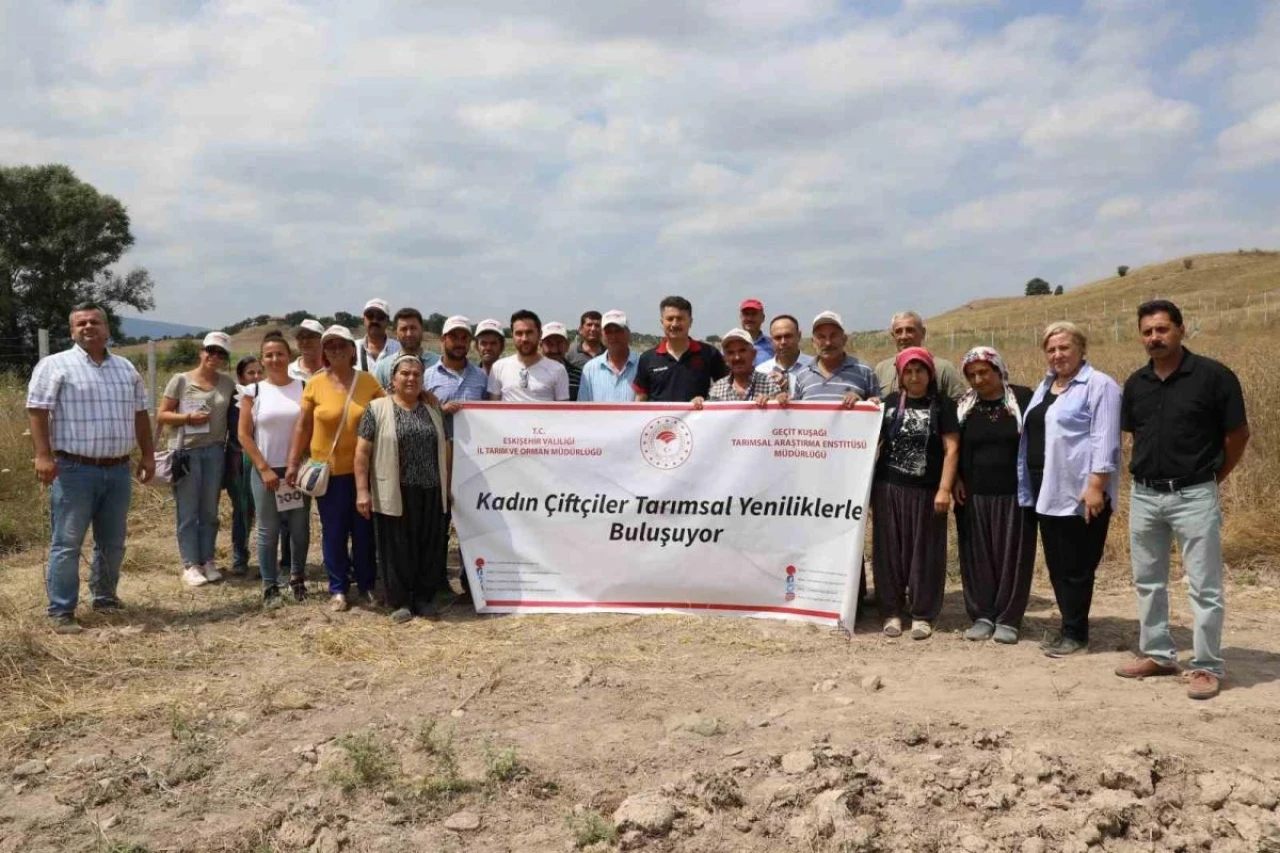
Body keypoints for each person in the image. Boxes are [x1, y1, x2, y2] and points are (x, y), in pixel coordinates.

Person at [1115, 300, 1249, 700]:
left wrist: (1211, 479)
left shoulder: (1214, 377)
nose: (1154, 338)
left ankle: (1207, 666)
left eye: (1162, 329)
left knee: (1204, 585)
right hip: (1145, 496)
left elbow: (1237, 436)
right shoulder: (1136, 383)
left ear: (1181, 329)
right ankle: (1158, 654)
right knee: (1148, 581)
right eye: (1147, 332)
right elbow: (1134, 436)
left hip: (1194, 494)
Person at [25, 304, 155, 634]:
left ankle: (105, 597)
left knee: (112, 542)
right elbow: (37, 410)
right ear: (71, 332)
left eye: (94, 322)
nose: (88, 327)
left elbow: (141, 415)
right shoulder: (55, 366)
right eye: (80, 323)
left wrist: (148, 456)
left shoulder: (125, 368)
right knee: (67, 542)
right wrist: (43, 456)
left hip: (117, 470)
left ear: (107, 329)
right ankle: (61, 610)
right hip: (73, 470)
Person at [1017, 321, 1121, 658]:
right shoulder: (1046, 386)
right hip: (1048, 489)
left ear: (1081, 349)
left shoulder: (1099, 385)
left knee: (1077, 566)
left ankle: (1076, 634)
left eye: (1064, 347)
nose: (1058, 355)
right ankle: (1068, 626)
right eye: (1051, 349)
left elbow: (1105, 440)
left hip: (1080, 492)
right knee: (1058, 565)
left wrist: (1096, 486)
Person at [286, 325, 385, 612]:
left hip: (362, 474)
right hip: (327, 473)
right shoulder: (315, 384)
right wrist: (293, 462)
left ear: (353, 350)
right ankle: (338, 588)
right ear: (324, 352)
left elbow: (388, 414)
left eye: (342, 344)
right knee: (334, 532)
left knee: (364, 532)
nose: (336, 350)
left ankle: (366, 585)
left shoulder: (368, 382)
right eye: (330, 346)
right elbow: (303, 426)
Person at [355, 354, 452, 623]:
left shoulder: (433, 409)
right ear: (392, 379)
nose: (411, 378)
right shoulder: (376, 409)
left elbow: (446, 448)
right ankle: (400, 601)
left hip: (431, 489)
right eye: (405, 373)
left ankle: (423, 598)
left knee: (429, 546)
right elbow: (362, 453)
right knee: (396, 548)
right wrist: (362, 491)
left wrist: (449, 485)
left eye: (417, 374)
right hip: (395, 491)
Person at [871, 347, 959, 640]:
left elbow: (952, 449)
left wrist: (944, 488)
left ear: (930, 373)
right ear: (900, 376)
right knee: (889, 552)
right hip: (889, 489)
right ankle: (892, 612)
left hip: (926, 491)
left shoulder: (942, 405)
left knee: (925, 552)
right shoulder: (889, 403)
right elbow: (870, 438)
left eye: (919, 370)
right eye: (908, 371)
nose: (914, 376)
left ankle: (922, 613)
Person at [953, 347, 1035, 644]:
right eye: (972, 374)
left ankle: (1009, 618)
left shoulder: (1024, 399)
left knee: (1012, 557)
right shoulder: (962, 407)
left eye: (984, 372)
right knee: (977, 557)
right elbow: (954, 449)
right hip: (973, 496)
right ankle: (982, 616)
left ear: (999, 371)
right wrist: (956, 480)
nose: (978, 379)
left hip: (1015, 493)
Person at [158, 331, 237, 588]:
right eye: (211, 351)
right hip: (187, 452)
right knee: (188, 510)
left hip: (215, 451)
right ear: (201, 352)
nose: (214, 356)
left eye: (221, 353)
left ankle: (208, 559)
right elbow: (162, 415)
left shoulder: (227, 384)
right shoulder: (180, 380)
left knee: (210, 511)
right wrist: (187, 419)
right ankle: (190, 563)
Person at [238, 332, 311, 606]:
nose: (274, 359)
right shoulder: (253, 391)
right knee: (267, 530)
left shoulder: (304, 387)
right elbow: (244, 434)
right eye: (269, 355)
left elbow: (309, 428)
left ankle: (297, 578)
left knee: (299, 527)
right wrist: (264, 468)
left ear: (289, 356)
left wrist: (297, 463)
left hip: (297, 470)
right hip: (266, 471)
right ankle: (270, 585)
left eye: (279, 354)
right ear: (262, 358)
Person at [425, 316, 489, 604]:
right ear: (443, 340)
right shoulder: (426, 377)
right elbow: (418, 415)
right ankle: (436, 582)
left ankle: (469, 584)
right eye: (454, 337)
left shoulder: (481, 378)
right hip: (436, 458)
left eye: (464, 338)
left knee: (471, 522)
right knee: (437, 523)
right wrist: (440, 410)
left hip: (473, 461)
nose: (459, 343)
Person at [633, 296, 728, 402]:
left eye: (680, 318)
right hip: (660, 419)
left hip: (698, 418)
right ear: (662, 322)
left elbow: (726, 388)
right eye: (670, 319)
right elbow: (641, 397)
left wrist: (707, 401)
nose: (674, 324)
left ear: (690, 322)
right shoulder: (647, 358)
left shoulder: (710, 354)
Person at [225, 355, 263, 577]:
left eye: (259, 371)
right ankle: (240, 557)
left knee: (268, 512)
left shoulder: (269, 394)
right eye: (251, 372)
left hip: (266, 459)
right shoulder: (233, 400)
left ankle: (269, 559)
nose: (256, 376)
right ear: (241, 376)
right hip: (239, 459)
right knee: (242, 510)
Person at [791, 312, 880, 405]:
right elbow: (796, 413)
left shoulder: (865, 371)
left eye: (833, 336)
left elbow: (877, 407)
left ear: (844, 339)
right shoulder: (802, 374)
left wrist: (861, 402)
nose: (828, 343)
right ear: (813, 342)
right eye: (821, 337)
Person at [873, 311, 966, 401]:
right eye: (898, 332)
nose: (904, 336)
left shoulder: (944, 369)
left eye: (910, 330)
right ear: (893, 336)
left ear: (923, 333)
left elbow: (960, 405)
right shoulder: (882, 369)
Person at [487, 310, 570, 402]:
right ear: (512, 335)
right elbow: (493, 408)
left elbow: (563, 411)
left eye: (529, 333)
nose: (524, 339)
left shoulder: (558, 370)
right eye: (519, 333)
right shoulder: (498, 367)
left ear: (540, 334)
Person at [694, 329, 784, 407]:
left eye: (742, 351)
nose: (737, 357)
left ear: (753, 354)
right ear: (725, 358)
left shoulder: (769, 383)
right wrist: (698, 405)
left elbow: (781, 416)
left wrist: (774, 403)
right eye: (731, 352)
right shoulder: (717, 389)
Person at [578, 310, 639, 402]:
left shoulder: (643, 364)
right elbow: (582, 407)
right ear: (602, 335)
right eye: (608, 332)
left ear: (628, 333)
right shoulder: (590, 368)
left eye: (618, 331)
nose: (613, 336)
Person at [372, 307, 439, 390]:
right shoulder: (383, 367)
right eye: (404, 329)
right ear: (396, 333)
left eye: (413, 328)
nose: (409, 334)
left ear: (422, 330)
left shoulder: (438, 363)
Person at [755, 315, 813, 394]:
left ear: (799, 336)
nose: (783, 342)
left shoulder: (814, 367)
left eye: (788, 336)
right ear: (771, 340)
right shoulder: (761, 371)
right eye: (778, 337)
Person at [355, 298, 401, 372]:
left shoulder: (399, 350)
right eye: (370, 316)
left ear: (387, 321)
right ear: (363, 320)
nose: (375, 321)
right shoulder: (352, 348)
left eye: (380, 317)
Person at [540, 321, 582, 400]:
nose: (554, 349)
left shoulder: (578, 375)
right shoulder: (530, 374)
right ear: (540, 345)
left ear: (567, 345)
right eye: (549, 343)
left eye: (559, 343)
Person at [739, 298, 774, 366]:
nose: (749, 318)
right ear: (740, 317)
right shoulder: (730, 346)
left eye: (754, 314)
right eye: (746, 314)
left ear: (763, 318)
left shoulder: (773, 345)